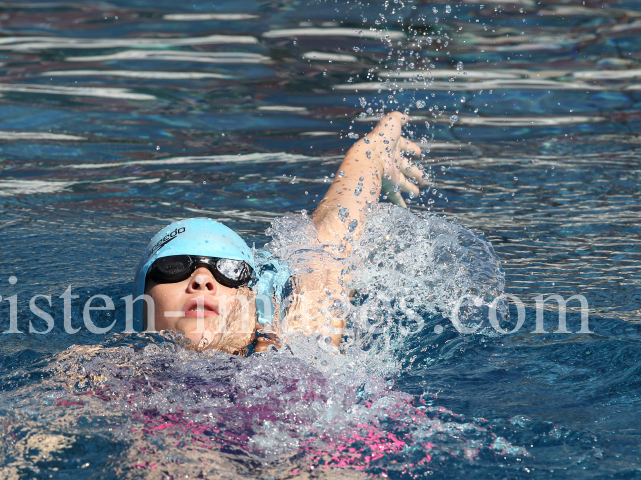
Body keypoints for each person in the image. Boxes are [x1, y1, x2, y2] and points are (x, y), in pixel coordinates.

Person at [131, 112, 430, 354]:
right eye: (174, 267)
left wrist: (371, 154)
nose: (201, 280)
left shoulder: (302, 346)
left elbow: (332, 240)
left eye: (229, 271)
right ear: (141, 304)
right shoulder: (106, 373)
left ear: (252, 300)